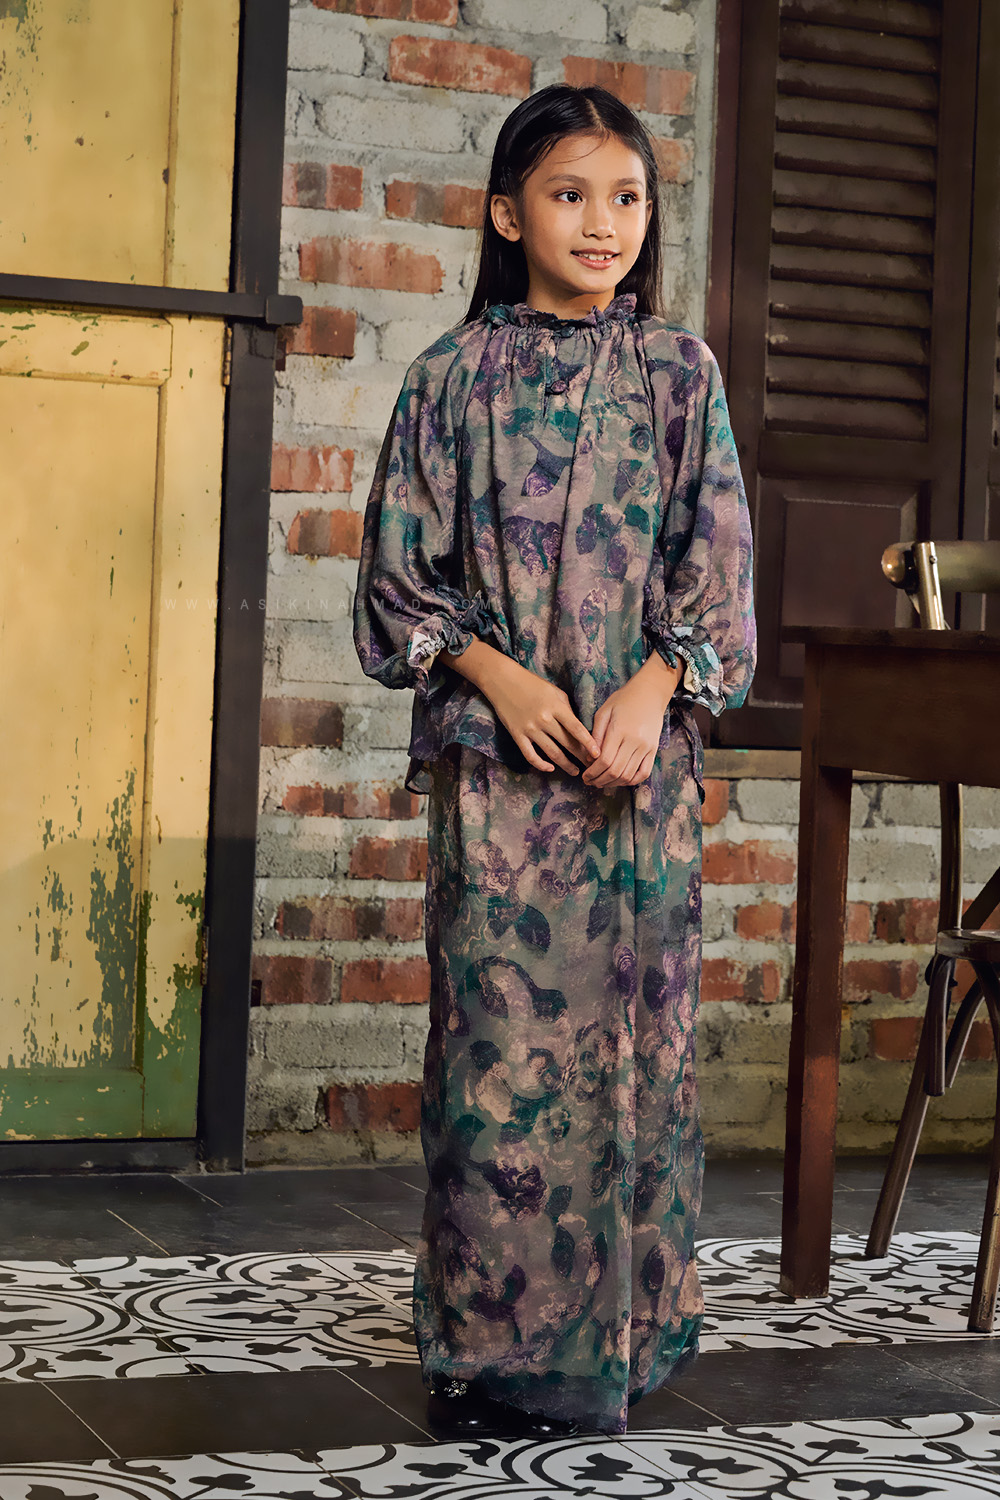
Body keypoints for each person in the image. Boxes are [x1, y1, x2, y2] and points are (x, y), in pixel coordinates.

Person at [352, 82, 756, 1440]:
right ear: (505, 212)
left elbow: (719, 580)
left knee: (639, 1056)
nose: (602, 222)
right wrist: (498, 672)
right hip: (498, 779)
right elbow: (395, 589)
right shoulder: (447, 379)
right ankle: (492, 1351)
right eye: (570, 194)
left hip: (639, 783)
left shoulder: (681, 375)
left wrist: (657, 685)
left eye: (626, 197)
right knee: (497, 1058)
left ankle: (630, 1342)